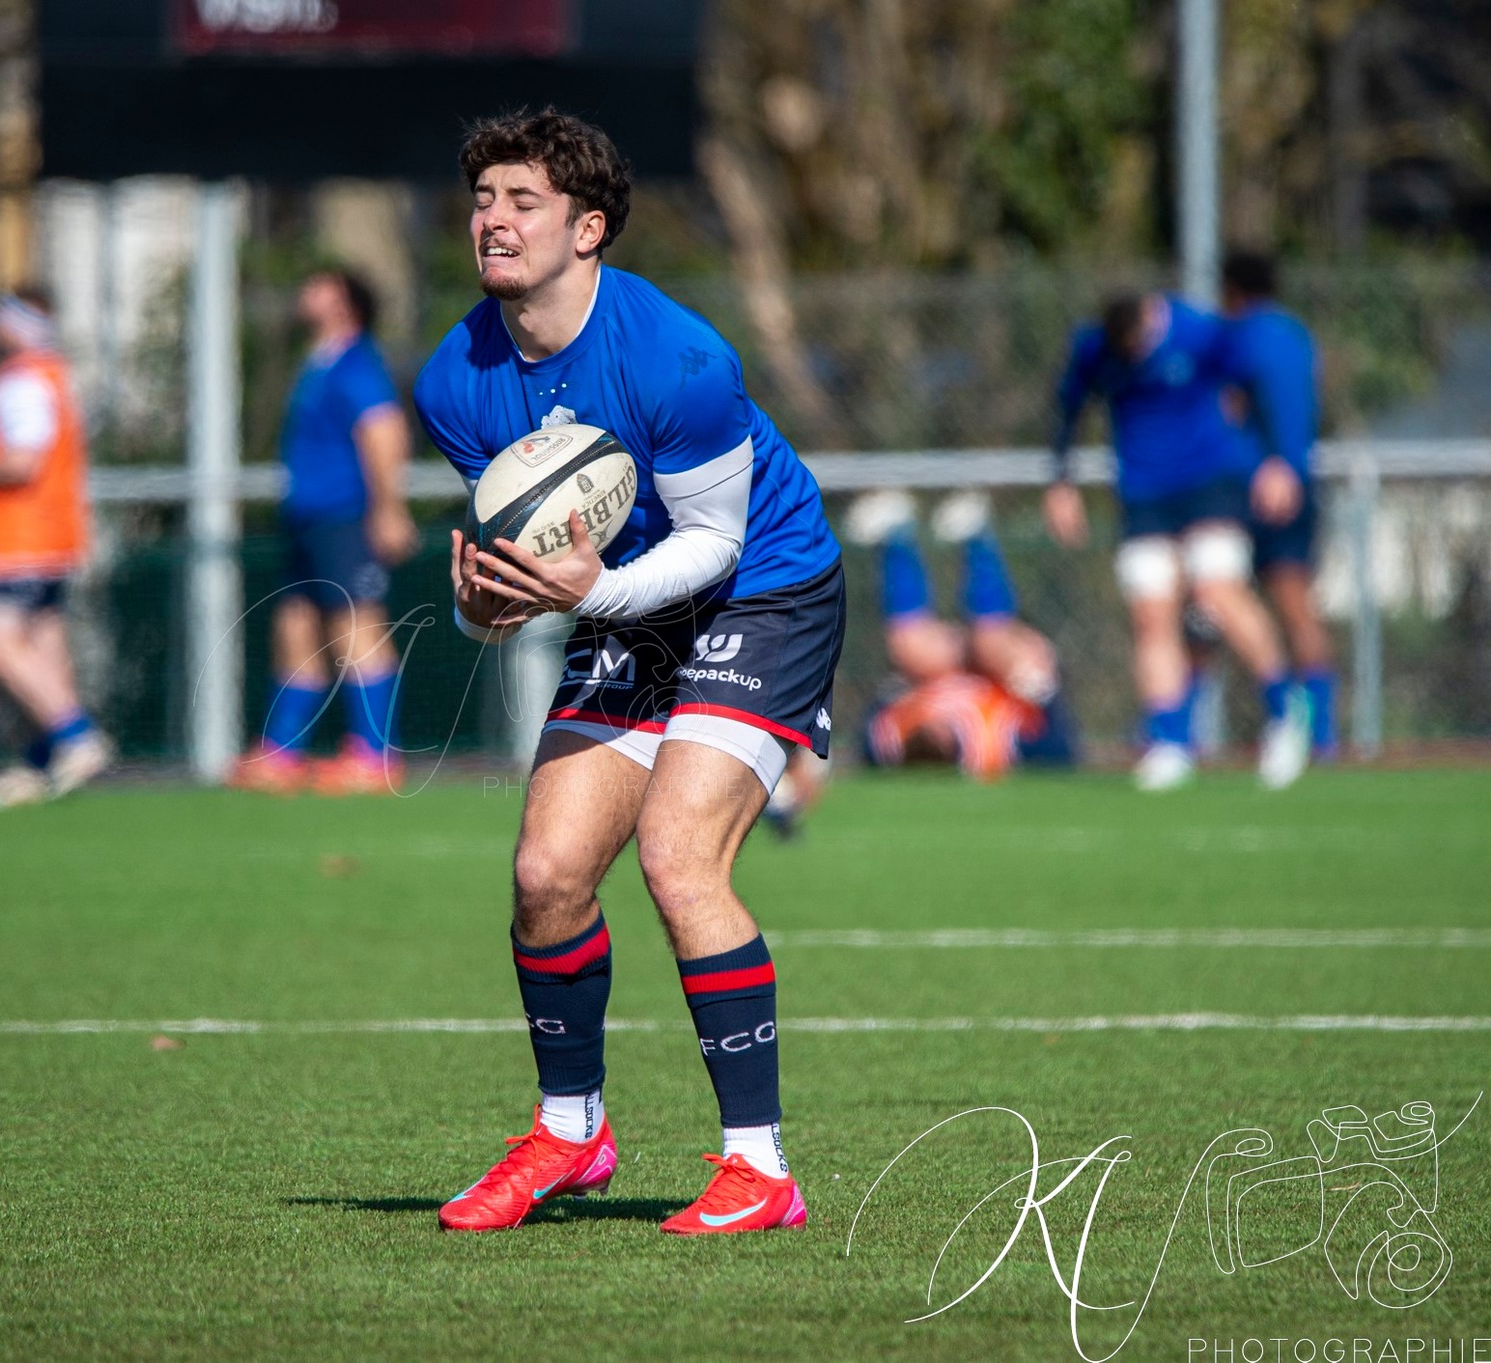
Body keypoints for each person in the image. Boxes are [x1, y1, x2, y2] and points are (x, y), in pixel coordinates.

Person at [414, 109, 845, 1235]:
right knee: (546, 871)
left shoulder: (679, 357)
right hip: (626, 598)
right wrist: (482, 608)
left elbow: (711, 545)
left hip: (764, 586)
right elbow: (509, 590)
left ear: (588, 227)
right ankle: (571, 1133)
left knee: (674, 852)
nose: (492, 220)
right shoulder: (456, 381)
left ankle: (760, 1167)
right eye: (482, 199)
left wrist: (580, 596)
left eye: (522, 201)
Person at [1045, 290, 1309, 792]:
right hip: (1144, 491)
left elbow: (1253, 386)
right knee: (1152, 611)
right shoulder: (1095, 349)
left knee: (1217, 591)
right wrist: (1061, 483)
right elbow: (1069, 408)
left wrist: (1276, 461)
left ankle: (1283, 711)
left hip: (1210, 482)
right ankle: (1169, 741)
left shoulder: (1199, 331)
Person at [229, 269, 417, 795]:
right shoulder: (319, 360)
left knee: (355, 626)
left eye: (320, 286)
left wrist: (388, 510)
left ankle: (375, 755)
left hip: (345, 514)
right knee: (295, 624)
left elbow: (383, 433)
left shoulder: (358, 362)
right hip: (307, 517)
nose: (304, 292)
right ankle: (282, 752)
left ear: (345, 303)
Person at [0, 288, 112, 810]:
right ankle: (43, 762)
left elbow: (24, 460)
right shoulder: (50, 376)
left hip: (16, 538)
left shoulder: (21, 381)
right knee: (44, 646)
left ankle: (76, 735)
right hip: (47, 537)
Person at [852, 489, 1075, 781]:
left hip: (940, 670)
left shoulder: (896, 732)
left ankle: (897, 537)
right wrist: (1046, 695)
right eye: (941, 741)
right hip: (1003, 678)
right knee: (988, 644)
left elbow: (872, 734)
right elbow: (1057, 750)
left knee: (909, 649)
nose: (936, 731)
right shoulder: (986, 746)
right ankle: (978, 538)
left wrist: (895, 689)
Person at [1219, 250, 1335, 758]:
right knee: (1296, 607)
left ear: (1232, 291)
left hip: (1259, 487)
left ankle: (1171, 730)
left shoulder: (1242, 338)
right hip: (1301, 481)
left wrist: (1270, 464)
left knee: (1214, 601)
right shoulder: (1297, 334)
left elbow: (1230, 409)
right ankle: (1324, 736)